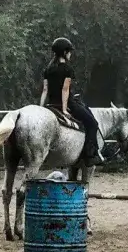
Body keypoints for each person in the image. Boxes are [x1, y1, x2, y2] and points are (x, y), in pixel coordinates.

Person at [40, 37, 102, 166]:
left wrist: (41, 108)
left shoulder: (48, 70)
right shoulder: (67, 69)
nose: (70, 54)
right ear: (64, 52)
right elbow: (65, 90)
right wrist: (64, 109)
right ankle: (89, 155)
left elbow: (45, 90)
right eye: (69, 52)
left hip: (50, 104)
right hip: (68, 103)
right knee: (92, 123)